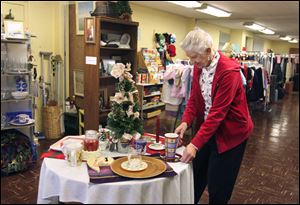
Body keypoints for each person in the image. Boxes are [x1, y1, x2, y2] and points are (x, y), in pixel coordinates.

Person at [175, 27, 254, 204]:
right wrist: (186, 122)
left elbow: (218, 114)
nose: (192, 62)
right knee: (194, 178)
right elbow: (194, 99)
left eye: (194, 57)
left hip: (231, 134)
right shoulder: (199, 67)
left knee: (218, 187)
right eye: (190, 57)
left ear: (209, 51)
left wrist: (194, 144)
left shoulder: (229, 73)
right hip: (208, 129)